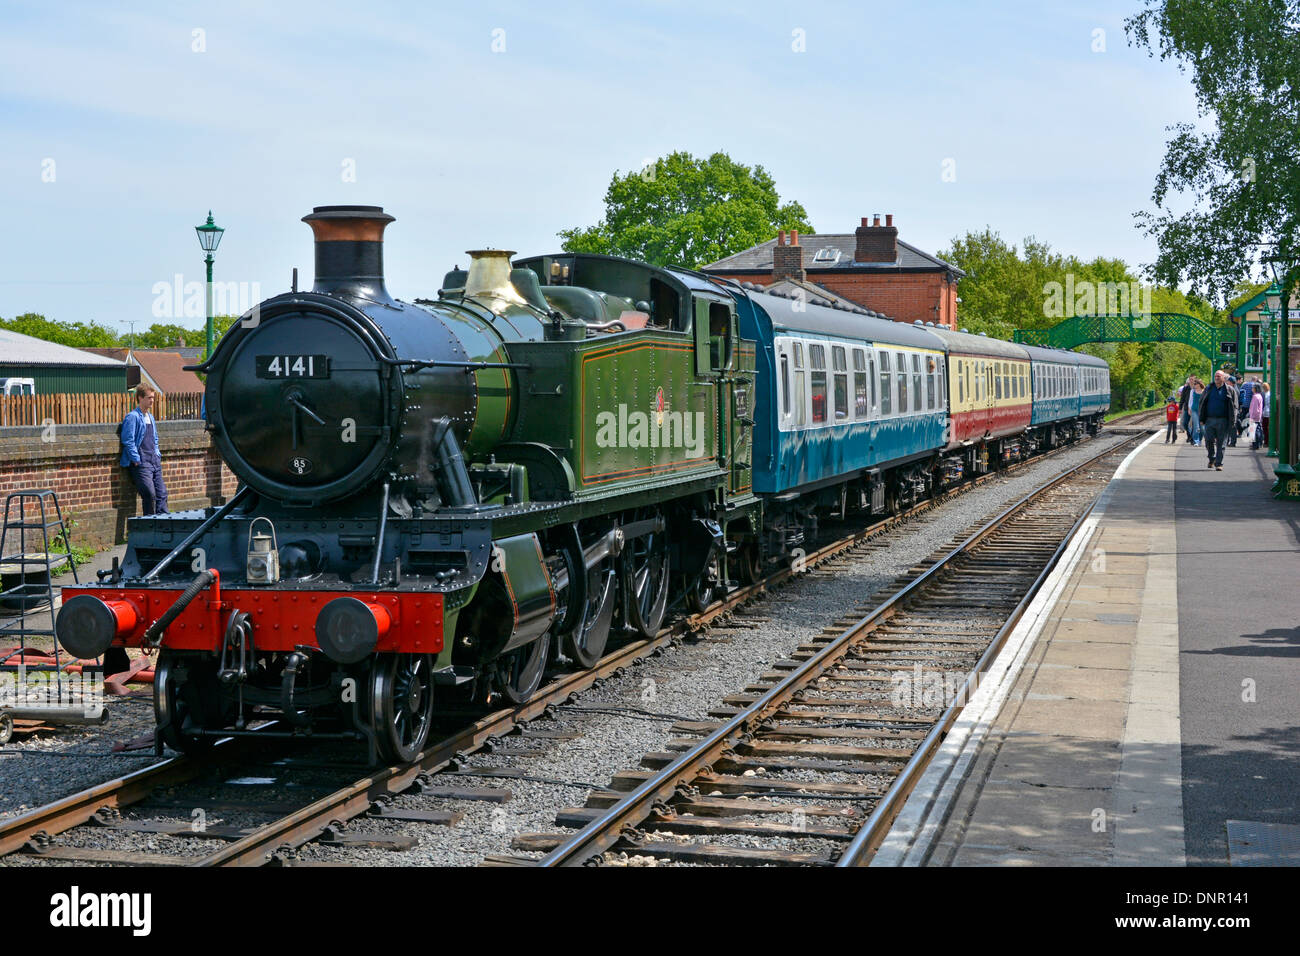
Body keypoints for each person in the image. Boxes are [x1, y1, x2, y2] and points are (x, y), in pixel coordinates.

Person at [119, 383, 169, 514]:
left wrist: (157, 454)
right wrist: (136, 459)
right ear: (140, 398)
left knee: (162, 493)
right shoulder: (132, 417)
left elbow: (155, 438)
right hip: (141, 462)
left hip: (154, 460)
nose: (152, 400)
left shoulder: (151, 417)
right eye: (149, 397)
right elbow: (128, 440)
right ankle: (150, 523)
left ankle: (163, 522)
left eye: (153, 397)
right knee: (149, 493)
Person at [1199, 370, 1237, 470]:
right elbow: (1202, 403)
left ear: (1224, 378)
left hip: (1223, 420)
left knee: (1222, 443)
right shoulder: (1208, 388)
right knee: (1208, 441)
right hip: (1209, 420)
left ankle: (1219, 463)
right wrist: (1201, 418)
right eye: (1215, 376)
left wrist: (1233, 420)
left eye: (1219, 376)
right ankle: (1212, 458)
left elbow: (1235, 406)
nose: (1216, 378)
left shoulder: (1229, 390)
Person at [1178, 376, 1194, 443]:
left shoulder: (1197, 387)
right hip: (1187, 408)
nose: (1191, 381)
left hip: (1195, 409)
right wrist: (1180, 408)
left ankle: (1193, 438)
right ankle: (1189, 435)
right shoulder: (1186, 388)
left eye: (1192, 379)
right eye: (1190, 380)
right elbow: (1182, 398)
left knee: (1194, 424)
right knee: (1185, 423)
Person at [1248, 384, 1265, 450]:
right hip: (1258, 416)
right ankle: (1258, 444)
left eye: (1253, 388)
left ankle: (1255, 445)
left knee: (1254, 431)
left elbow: (1254, 408)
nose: (1252, 389)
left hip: (1254, 416)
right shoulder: (1259, 396)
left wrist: (1252, 416)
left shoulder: (1255, 397)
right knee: (1258, 430)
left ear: (1255, 389)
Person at [1189, 378, 1204, 446]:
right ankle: (1196, 441)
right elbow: (1190, 400)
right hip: (1194, 410)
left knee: (1202, 428)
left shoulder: (1204, 391)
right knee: (1196, 426)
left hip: (1202, 411)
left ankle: (1200, 439)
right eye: (1194, 384)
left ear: (1199, 384)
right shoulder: (1192, 391)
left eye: (1195, 384)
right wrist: (1189, 409)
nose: (1194, 385)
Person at [1260, 381, 1271, 449]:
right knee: (1267, 428)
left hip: (1265, 413)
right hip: (1268, 412)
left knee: (1265, 428)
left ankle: (1266, 441)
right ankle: (1267, 441)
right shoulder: (1270, 394)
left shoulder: (1264, 394)